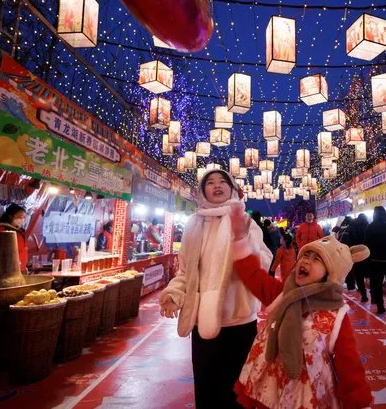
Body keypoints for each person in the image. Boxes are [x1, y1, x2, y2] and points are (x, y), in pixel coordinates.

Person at [229, 204, 372, 409]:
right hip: (269, 389)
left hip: (307, 397)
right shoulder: (284, 295)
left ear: (330, 275)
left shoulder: (336, 316)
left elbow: (350, 367)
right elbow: (253, 276)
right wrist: (240, 240)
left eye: (316, 259)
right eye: (305, 255)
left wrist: (359, 403)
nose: (306, 260)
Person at [159, 169, 272, 408]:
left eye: (223, 181)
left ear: (232, 188)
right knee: (208, 387)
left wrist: (243, 241)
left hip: (239, 320)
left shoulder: (245, 222)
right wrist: (174, 294)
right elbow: (186, 272)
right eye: (210, 182)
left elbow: (263, 262)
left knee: (239, 389)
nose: (217, 185)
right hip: (203, 322)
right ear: (203, 191)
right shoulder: (193, 225)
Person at [0, 204, 28, 272]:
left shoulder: (21, 232)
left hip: (21, 269)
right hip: (7, 270)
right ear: (10, 217)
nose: (22, 220)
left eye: (24, 217)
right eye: (19, 217)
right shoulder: (1, 229)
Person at [346, 213, 370, 302]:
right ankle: (374, 297)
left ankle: (363, 295)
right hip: (367, 254)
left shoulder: (352, 228)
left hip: (356, 255)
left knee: (359, 275)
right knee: (370, 275)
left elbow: (349, 242)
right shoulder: (368, 226)